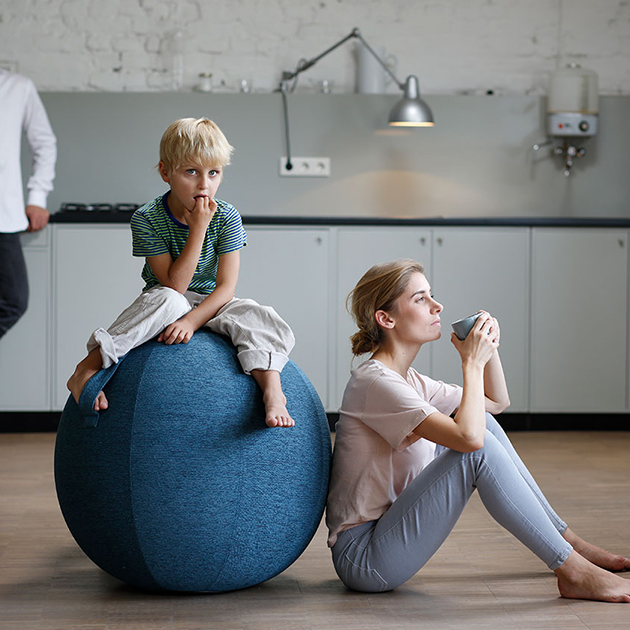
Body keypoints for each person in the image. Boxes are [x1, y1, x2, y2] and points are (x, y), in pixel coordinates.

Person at [326, 259, 630, 602]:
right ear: (386, 319)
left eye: (432, 295)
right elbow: (470, 440)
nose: (437, 305)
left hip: (390, 530)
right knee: (477, 446)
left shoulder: (408, 380)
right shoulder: (375, 382)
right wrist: (470, 363)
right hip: (365, 557)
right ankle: (573, 570)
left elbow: (495, 403)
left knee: (484, 424)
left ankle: (568, 544)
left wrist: (487, 351)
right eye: (420, 299)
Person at [67, 117, 295, 428]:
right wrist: (198, 230)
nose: (204, 185)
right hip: (165, 300)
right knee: (171, 301)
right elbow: (174, 285)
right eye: (192, 172)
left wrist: (193, 320)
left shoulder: (227, 216)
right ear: (166, 172)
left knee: (258, 314)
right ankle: (86, 369)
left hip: (213, 301)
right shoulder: (146, 218)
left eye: (213, 173)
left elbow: (226, 287)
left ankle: (273, 391)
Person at [0, 68, 56, 339]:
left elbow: (45, 144)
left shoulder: (17, 87)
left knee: (13, 301)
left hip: (4, 217)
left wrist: (37, 197)